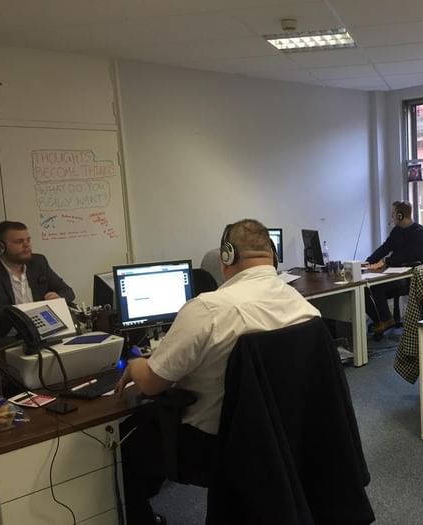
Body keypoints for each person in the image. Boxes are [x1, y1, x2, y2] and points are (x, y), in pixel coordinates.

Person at [116, 218, 319, 525]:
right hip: (287, 433)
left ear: (226, 256)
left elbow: (152, 384)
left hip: (216, 445)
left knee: (121, 448)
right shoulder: (304, 308)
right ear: (272, 256)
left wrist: (135, 365)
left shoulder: (208, 310)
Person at [0, 220, 75, 335]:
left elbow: (68, 291)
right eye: (19, 241)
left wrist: (58, 297)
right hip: (6, 337)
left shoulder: (38, 262)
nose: (26, 245)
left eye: (28, 240)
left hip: (42, 332)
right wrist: (21, 313)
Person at [364, 201, 423, 334]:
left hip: (408, 277)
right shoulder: (397, 231)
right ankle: (379, 321)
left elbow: (410, 256)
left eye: (393, 214)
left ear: (400, 216)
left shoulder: (420, 232)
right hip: (392, 273)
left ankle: (386, 319)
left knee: (376, 286)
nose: (391, 217)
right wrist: (367, 262)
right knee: (364, 288)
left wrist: (385, 261)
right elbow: (385, 248)